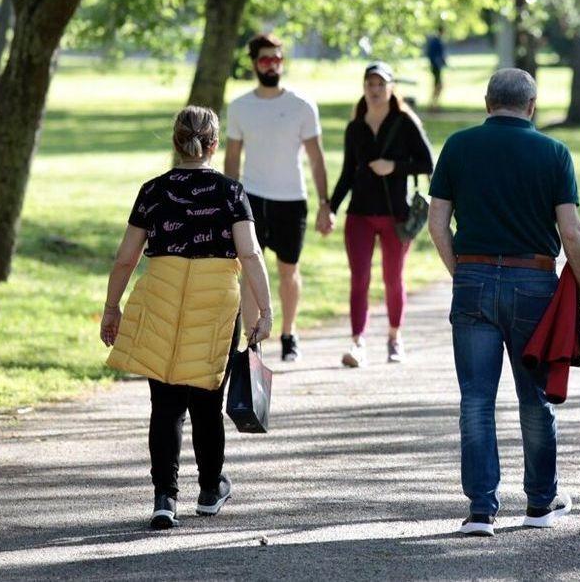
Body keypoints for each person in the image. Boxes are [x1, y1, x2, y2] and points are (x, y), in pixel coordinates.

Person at [427, 68, 580, 537]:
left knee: (476, 399)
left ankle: (481, 510)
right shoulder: (554, 152)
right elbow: (572, 230)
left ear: (487, 102)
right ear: (532, 106)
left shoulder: (458, 145)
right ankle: (540, 502)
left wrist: (464, 273)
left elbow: (438, 224)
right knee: (534, 398)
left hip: (473, 276)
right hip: (534, 283)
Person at [100, 106, 274, 530]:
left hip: (160, 293)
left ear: (176, 141)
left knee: (165, 406)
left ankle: (165, 498)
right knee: (206, 403)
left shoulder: (152, 191)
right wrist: (266, 310)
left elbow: (127, 258)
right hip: (215, 300)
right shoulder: (231, 192)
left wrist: (112, 307)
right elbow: (249, 253)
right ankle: (211, 489)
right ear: (213, 144)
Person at [224, 33, 332, 363]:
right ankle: (252, 340)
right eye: (265, 59)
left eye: (277, 59)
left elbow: (316, 157)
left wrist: (325, 204)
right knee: (251, 271)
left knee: (289, 271)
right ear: (254, 63)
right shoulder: (240, 107)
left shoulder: (301, 105)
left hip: (291, 199)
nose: (272, 65)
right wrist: (228, 203)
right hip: (250, 200)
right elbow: (232, 158)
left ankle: (289, 334)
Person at [327, 62, 434, 367]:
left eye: (380, 84)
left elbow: (427, 163)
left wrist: (394, 166)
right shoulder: (355, 127)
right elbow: (348, 172)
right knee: (359, 278)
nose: (374, 90)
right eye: (369, 84)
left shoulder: (404, 122)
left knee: (392, 278)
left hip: (395, 215)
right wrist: (331, 208)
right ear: (364, 88)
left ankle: (394, 337)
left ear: (390, 88)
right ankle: (358, 341)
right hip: (359, 213)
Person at [425, 27, 448, 111]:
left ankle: (434, 105)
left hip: (436, 67)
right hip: (436, 67)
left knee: (438, 85)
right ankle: (433, 105)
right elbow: (435, 55)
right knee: (438, 86)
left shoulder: (436, 41)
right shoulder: (436, 41)